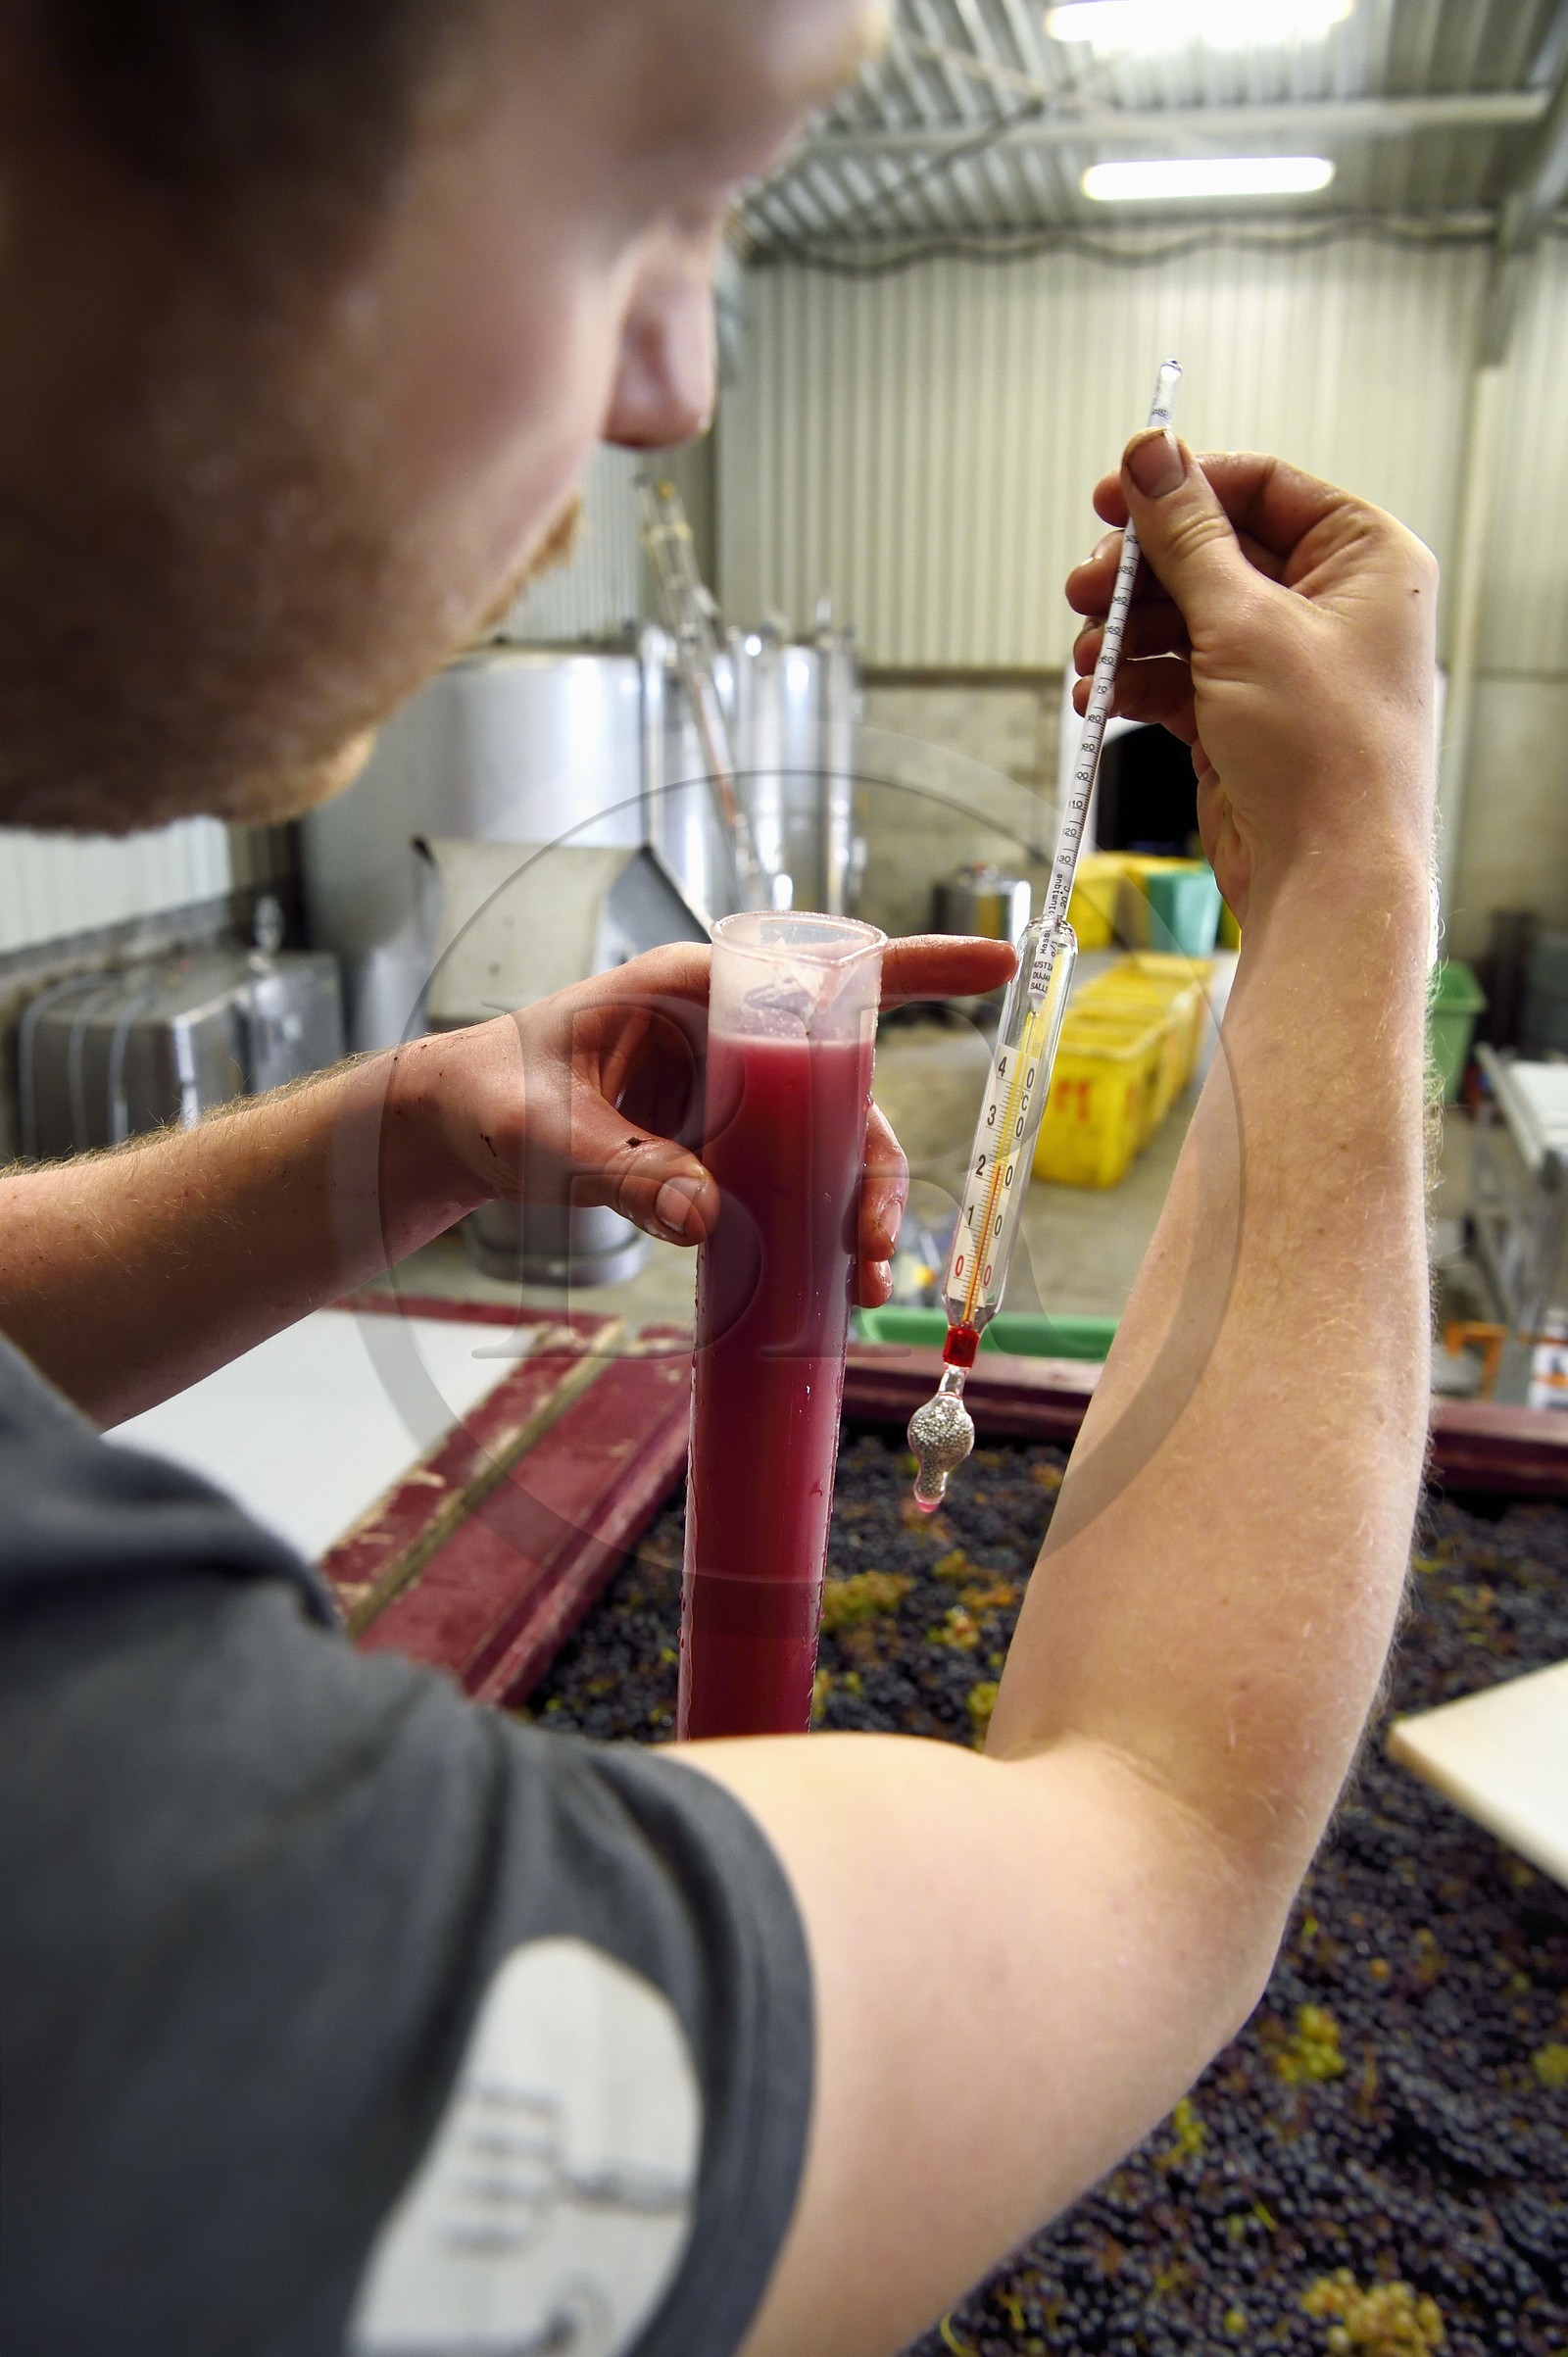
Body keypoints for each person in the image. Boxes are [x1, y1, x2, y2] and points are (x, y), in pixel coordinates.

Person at [0, 5, 1439, 2355]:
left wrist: (423, 1126)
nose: (671, 377)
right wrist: (1351, 866)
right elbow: (1150, 1841)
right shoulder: (140, 1868)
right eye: (659, 186)